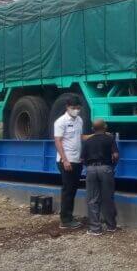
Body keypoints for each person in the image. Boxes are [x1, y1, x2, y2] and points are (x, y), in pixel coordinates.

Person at [81, 119, 119, 235]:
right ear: (105, 127)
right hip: (106, 168)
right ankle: (111, 226)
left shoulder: (87, 141)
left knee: (92, 199)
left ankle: (95, 229)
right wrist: (112, 166)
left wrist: (89, 166)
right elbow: (116, 155)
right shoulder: (109, 139)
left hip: (91, 169)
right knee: (108, 198)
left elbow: (82, 159)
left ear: (93, 129)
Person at [54, 95, 84, 229]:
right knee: (68, 190)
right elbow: (58, 141)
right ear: (67, 107)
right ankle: (65, 220)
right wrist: (65, 160)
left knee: (73, 189)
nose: (76, 110)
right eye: (73, 108)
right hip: (66, 161)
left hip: (77, 160)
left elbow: (79, 138)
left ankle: (68, 216)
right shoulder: (61, 122)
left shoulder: (80, 120)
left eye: (78, 108)